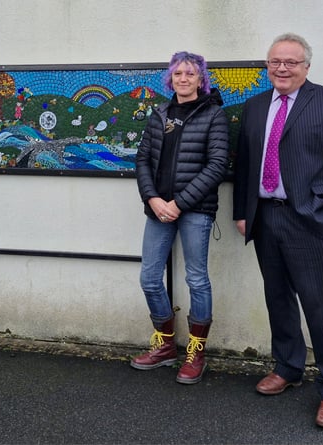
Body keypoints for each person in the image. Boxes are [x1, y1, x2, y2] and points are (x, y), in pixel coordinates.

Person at [233, 33, 323, 429]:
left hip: (308, 220)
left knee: (322, 305)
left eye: (291, 62)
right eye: (275, 61)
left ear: (307, 66)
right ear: (267, 65)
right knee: (278, 299)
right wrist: (242, 211)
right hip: (265, 218)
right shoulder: (255, 106)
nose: (282, 68)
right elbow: (244, 163)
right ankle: (288, 366)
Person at [130, 51, 229, 385]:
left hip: (195, 211)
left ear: (201, 79)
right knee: (149, 277)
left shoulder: (213, 115)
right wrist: (154, 198)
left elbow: (217, 165)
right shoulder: (159, 114)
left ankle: (196, 351)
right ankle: (166, 344)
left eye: (190, 74)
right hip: (158, 209)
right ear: (169, 78)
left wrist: (179, 203)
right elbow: (142, 160)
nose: (183, 79)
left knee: (196, 279)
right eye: (178, 73)